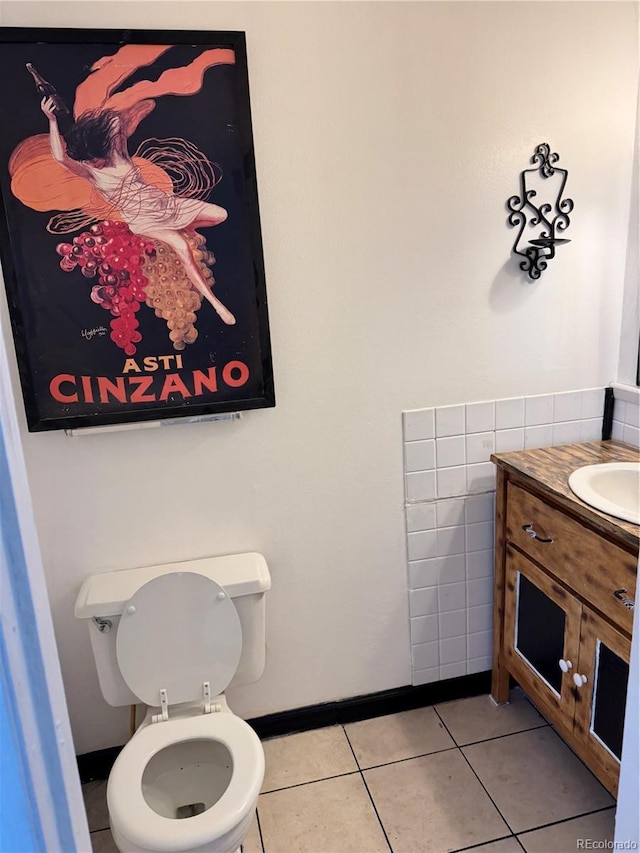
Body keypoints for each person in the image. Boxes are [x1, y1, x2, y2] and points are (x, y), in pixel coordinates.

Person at [40, 95, 235, 325]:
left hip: (166, 204)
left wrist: (108, 121)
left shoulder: (118, 153)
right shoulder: (92, 173)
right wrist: (52, 119)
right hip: (143, 220)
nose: (92, 163)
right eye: (88, 160)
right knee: (182, 247)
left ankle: (184, 225)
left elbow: (114, 121)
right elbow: (60, 157)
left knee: (221, 214)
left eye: (93, 158)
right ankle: (217, 305)